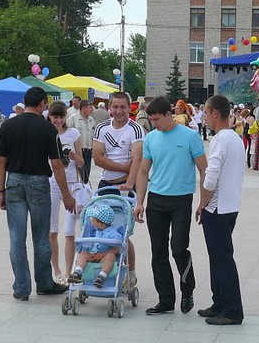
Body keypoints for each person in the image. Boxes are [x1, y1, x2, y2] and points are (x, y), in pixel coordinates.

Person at [0, 87, 76, 301]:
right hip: (39, 183)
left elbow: (0, 161)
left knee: (16, 238)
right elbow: (57, 164)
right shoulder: (48, 129)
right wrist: (67, 195)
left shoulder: (8, 125)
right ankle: (44, 283)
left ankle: (21, 288)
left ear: (24, 101)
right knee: (41, 237)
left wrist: (1, 190)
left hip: (13, 182)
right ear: (43, 104)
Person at [134, 96, 206, 315]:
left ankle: (188, 290)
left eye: (157, 119)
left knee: (178, 249)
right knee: (158, 252)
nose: (154, 124)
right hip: (156, 200)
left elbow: (204, 170)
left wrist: (203, 202)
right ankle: (165, 299)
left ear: (169, 114)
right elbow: (144, 172)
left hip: (181, 200)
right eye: (151, 120)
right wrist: (140, 202)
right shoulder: (151, 139)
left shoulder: (190, 136)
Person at [195, 94, 245, 325]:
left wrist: (203, 203)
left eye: (206, 112)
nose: (204, 117)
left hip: (218, 208)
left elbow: (210, 176)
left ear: (215, 113)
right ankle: (220, 303)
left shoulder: (220, 139)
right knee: (217, 258)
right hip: (229, 205)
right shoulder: (234, 138)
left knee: (222, 259)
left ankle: (232, 310)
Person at [92, 91, 143, 287]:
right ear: (109, 107)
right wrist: (124, 166)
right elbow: (98, 158)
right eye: (115, 107)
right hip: (106, 185)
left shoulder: (135, 129)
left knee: (122, 232)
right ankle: (101, 267)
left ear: (129, 108)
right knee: (99, 228)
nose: (119, 111)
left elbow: (137, 159)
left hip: (126, 187)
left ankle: (130, 272)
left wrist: (129, 182)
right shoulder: (102, 128)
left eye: (123, 107)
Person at [48, 101, 85, 284]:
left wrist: (73, 157)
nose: (58, 120)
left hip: (72, 184)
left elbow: (81, 163)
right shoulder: (46, 133)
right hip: (53, 184)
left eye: (61, 117)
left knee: (70, 231)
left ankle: (70, 271)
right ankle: (56, 270)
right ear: (49, 117)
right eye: (55, 117)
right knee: (52, 230)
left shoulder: (73, 133)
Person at [68, 205, 122, 288]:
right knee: (83, 254)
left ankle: (101, 276)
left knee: (110, 256)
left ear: (100, 223)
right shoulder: (97, 231)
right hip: (93, 254)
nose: (91, 221)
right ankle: (77, 273)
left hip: (104, 258)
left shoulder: (113, 234)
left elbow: (116, 249)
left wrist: (102, 255)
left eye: (93, 219)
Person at [67, 99, 95, 184]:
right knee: (77, 176)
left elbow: (94, 136)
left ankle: (84, 193)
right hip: (77, 152)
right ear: (83, 108)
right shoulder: (73, 119)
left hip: (88, 151)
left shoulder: (91, 120)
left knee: (86, 177)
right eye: (90, 107)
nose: (92, 110)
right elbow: (67, 134)